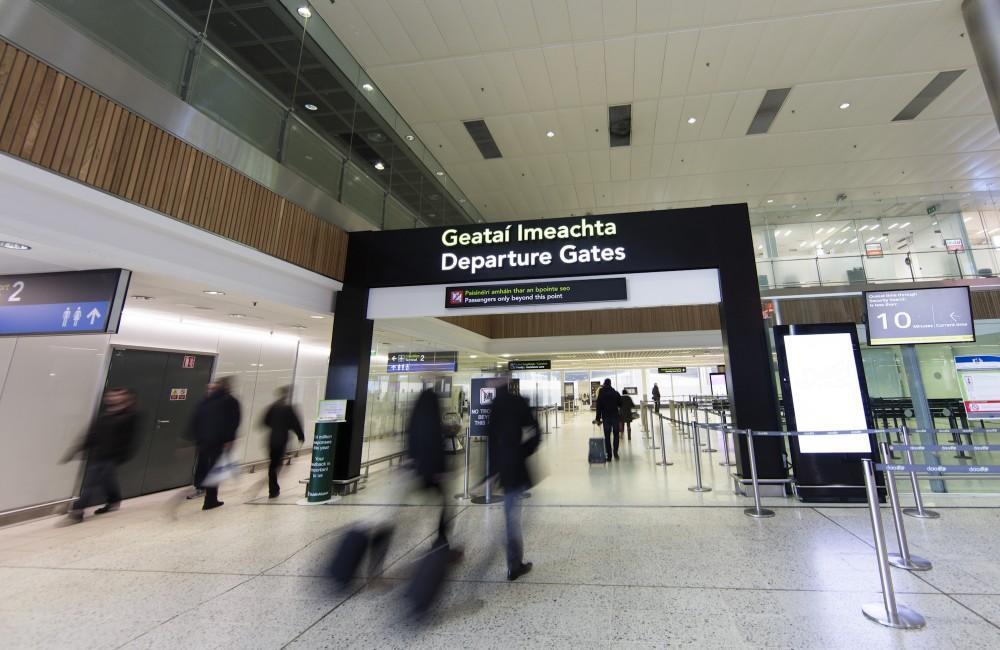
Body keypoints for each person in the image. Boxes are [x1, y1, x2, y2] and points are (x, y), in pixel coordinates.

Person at [487, 379, 541, 581]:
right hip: (516, 467)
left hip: (503, 469)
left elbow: (490, 443)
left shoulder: (494, 406)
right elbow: (535, 432)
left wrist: (490, 472)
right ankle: (514, 564)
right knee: (513, 517)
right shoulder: (519, 402)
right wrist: (523, 452)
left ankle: (513, 559)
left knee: (511, 515)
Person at [61, 388, 138, 523]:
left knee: (91, 482)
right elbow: (92, 434)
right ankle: (114, 500)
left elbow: (129, 439)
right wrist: (75, 449)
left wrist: (121, 455)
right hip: (98, 453)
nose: (112, 398)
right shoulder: (106, 415)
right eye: (111, 396)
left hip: (111, 456)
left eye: (116, 396)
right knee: (107, 480)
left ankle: (77, 512)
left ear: (125, 398)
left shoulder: (130, 416)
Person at [405, 386, 451, 548]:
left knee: (435, 503)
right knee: (444, 504)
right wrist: (441, 469)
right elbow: (436, 443)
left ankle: (441, 540)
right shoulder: (432, 422)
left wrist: (411, 459)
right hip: (432, 468)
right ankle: (441, 540)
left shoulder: (416, 418)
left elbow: (410, 435)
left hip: (419, 468)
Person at [189, 377, 241, 510]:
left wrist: (194, 437)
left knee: (204, 465)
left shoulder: (206, 400)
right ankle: (210, 499)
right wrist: (229, 439)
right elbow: (234, 421)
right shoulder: (230, 401)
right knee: (214, 469)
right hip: (218, 441)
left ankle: (200, 487)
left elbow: (196, 418)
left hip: (204, 440)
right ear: (227, 386)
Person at [262, 386, 304, 499]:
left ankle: (273, 489)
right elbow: (295, 424)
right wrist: (301, 436)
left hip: (272, 439)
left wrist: (274, 426)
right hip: (282, 439)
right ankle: (274, 488)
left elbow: (264, 421)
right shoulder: (288, 408)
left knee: (272, 464)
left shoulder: (272, 407)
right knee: (277, 464)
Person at [595, 378, 622, 460]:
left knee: (607, 436)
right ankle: (615, 453)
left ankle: (609, 455)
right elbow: (620, 403)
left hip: (606, 417)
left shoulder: (601, 393)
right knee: (616, 434)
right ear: (610, 384)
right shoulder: (615, 392)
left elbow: (598, 406)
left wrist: (598, 418)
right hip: (615, 416)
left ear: (604, 383)